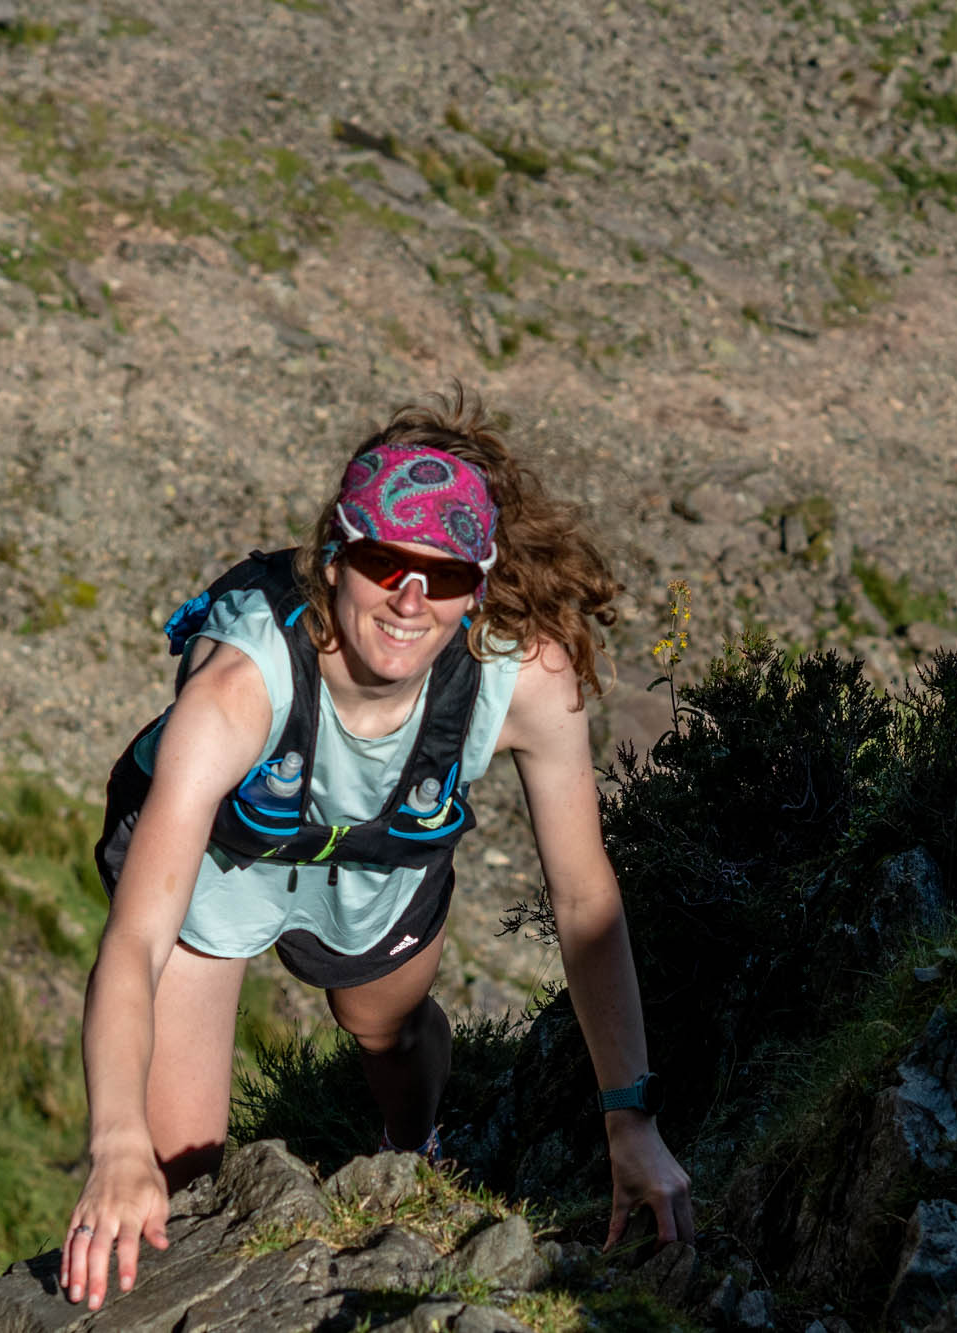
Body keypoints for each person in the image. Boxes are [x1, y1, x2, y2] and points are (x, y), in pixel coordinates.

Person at [61, 387, 691, 1312]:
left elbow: (584, 899)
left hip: (384, 856)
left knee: (384, 1030)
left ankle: (416, 1140)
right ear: (334, 558)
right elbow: (136, 940)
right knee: (179, 1176)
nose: (408, 597)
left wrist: (628, 1115)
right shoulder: (238, 689)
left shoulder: (525, 678)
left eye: (442, 574)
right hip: (219, 868)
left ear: (480, 582)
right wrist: (115, 1142)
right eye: (382, 560)